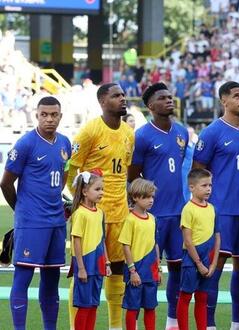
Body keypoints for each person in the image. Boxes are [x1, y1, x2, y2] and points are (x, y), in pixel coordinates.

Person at [66, 82, 133, 329]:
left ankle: (114, 326)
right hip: (93, 215)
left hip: (119, 211)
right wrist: (81, 200)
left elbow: (125, 170)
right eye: (116, 95)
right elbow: (71, 168)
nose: (123, 98)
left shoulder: (128, 132)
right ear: (103, 101)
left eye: (124, 94)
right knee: (85, 271)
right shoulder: (89, 132)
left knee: (117, 268)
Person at [0, 96, 71, 330]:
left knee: (51, 279)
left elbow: (64, 174)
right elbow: (5, 183)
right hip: (31, 223)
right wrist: (21, 209)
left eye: (54, 115)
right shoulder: (25, 144)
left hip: (56, 223)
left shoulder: (64, 143)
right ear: (36, 115)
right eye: (44, 114)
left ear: (60, 116)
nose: (49, 119)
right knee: (23, 277)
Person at [192, 81, 239, 329]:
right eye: (236, 96)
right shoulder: (212, 132)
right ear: (224, 101)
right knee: (213, 267)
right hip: (220, 211)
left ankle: (238, 323)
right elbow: (198, 172)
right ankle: (208, 324)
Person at [128, 82, 188, 329]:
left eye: (170, 97)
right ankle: (138, 320)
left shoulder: (182, 132)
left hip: (178, 213)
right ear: (151, 106)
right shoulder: (141, 136)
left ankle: (172, 320)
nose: (169, 100)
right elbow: (133, 176)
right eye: (163, 98)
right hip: (151, 216)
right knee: (144, 270)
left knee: (177, 268)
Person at [177, 168, 221, 330]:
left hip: (208, 262)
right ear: (191, 187)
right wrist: (199, 263)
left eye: (210, 185)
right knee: (186, 296)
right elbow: (188, 241)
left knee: (202, 298)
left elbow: (217, 237)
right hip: (192, 262)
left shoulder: (213, 209)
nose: (208, 188)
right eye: (204, 185)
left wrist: (213, 263)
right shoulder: (188, 209)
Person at [69, 170, 111, 330]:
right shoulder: (80, 214)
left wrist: (106, 262)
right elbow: (76, 241)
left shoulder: (100, 213)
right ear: (85, 192)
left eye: (102, 189)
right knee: (84, 306)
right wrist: (80, 268)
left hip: (98, 266)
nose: (102, 192)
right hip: (85, 266)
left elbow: (102, 240)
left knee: (93, 305)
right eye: (97, 189)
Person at [119, 178, 162, 330]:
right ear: (136, 197)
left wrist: (159, 268)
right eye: (147, 197)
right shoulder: (130, 220)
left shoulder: (153, 219)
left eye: (152, 197)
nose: (151, 200)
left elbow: (155, 244)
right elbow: (126, 246)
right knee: (133, 307)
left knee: (150, 307)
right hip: (136, 271)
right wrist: (132, 271)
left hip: (151, 271)